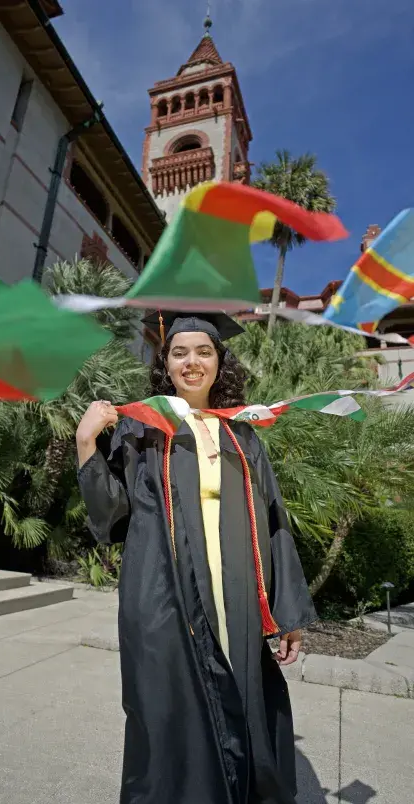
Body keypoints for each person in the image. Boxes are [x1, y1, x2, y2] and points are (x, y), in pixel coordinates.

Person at [76, 312, 316, 804]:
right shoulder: (143, 430)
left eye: (203, 352)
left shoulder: (242, 434)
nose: (192, 362)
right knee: (165, 712)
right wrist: (86, 444)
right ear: (164, 363)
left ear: (218, 361)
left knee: (241, 705)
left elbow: (274, 522)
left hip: (235, 603)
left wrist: (287, 613)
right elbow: (110, 517)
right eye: (179, 352)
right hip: (164, 597)